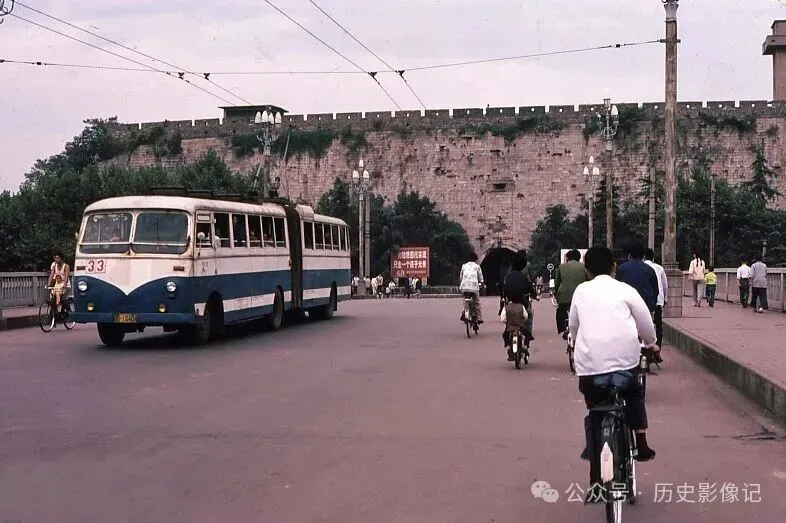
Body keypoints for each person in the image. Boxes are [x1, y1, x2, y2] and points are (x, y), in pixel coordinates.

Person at [568, 246, 658, 503]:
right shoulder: (625, 290)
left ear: (587, 271)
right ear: (614, 267)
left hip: (590, 367)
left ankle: (594, 472)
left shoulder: (581, 291)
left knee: (594, 410)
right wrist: (651, 344)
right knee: (635, 393)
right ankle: (640, 440)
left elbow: (573, 326)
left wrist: (575, 341)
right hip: (625, 363)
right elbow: (645, 323)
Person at [502, 250, 537, 342]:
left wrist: (504, 297)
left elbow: (505, 288)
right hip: (522, 299)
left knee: (508, 315)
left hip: (510, 300)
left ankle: (507, 331)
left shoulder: (508, 276)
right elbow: (529, 286)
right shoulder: (524, 275)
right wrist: (534, 295)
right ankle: (528, 333)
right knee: (529, 314)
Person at [615, 242, 659, 313]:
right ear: (643, 256)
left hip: (626, 306)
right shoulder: (650, 270)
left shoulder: (621, 268)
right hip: (646, 306)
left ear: (629, 255)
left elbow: (616, 288)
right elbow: (656, 290)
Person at [554, 249, 587, 340]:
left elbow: (557, 283)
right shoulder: (584, 267)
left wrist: (556, 295)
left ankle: (563, 329)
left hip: (564, 296)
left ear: (567, 258)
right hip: (580, 296)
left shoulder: (561, 267)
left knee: (560, 311)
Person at [643, 248, 668, 350]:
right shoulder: (659, 268)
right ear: (653, 258)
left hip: (644, 301)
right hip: (658, 301)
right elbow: (665, 285)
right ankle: (658, 349)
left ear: (644, 257)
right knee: (658, 325)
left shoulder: (642, 267)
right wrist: (665, 298)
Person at [459, 252, 484, 323]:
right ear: (475, 259)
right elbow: (480, 277)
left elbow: (461, 277)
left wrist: (462, 283)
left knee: (465, 301)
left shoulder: (464, 266)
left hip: (464, 287)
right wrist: (482, 284)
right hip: (474, 287)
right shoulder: (477, 266)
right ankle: (479, 318)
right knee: (477, 302)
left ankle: (465, 312)